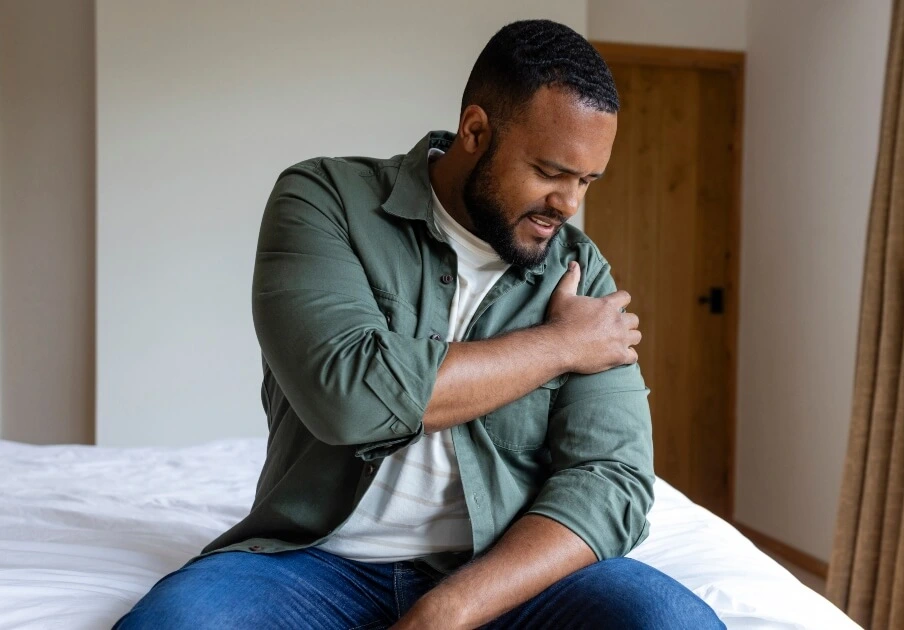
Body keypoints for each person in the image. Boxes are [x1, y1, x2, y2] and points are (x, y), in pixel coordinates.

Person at [115, 19, 723, 630]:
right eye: (549, 172)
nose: (568, 205)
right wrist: (559, 345)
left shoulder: (576, 268)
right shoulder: (325, 199)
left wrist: (452, 607)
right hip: (312, 565)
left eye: (587, 181)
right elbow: (348, 397)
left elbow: (614, 477)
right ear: (476, 131)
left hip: (502, 574)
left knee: (674, 621)